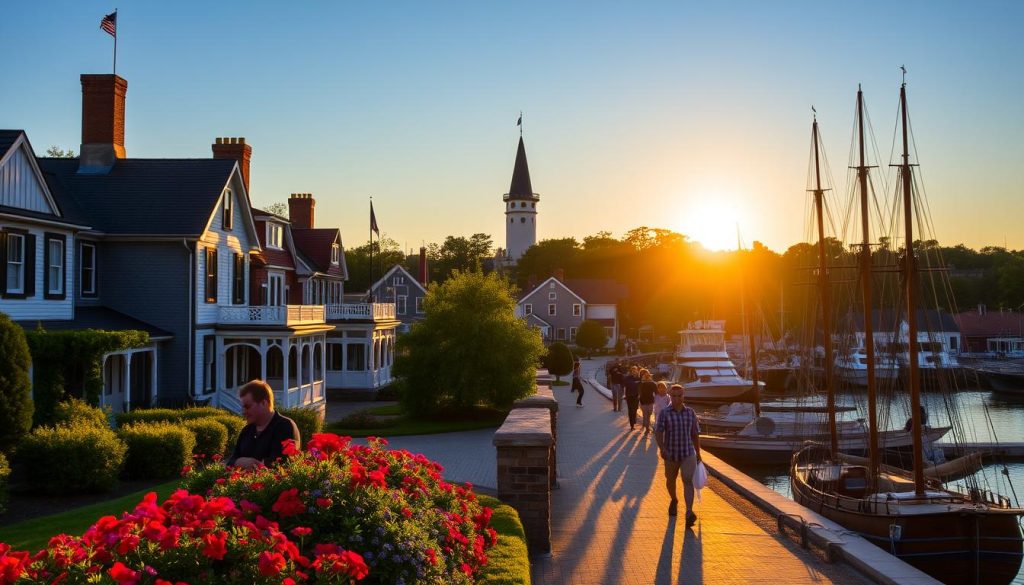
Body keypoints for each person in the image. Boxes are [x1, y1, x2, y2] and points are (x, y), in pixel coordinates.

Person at [654, 384, 702, 527]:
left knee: (688, 480)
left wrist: (698, 453)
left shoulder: (690, 412)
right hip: (671, 453)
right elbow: (658, 432)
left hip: (688, 452)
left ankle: (689, 512)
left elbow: (695, 433)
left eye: (679, 396)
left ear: (683, 396)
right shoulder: (664, 413)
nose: (677, 399)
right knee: (670, 480)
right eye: (674, 396)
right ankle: (674, 499)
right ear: (671, 396)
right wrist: (662, 449)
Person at [226, 379, 302, 469]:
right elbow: (231, 461)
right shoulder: (247, 430)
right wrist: (239, 462)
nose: (243, 412)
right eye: (243, 407)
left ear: (264, 403)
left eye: (247, 406)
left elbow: (280, 464)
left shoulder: (285, 426)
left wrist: (252, 464)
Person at [623, 365, 641, 430]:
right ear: (631, 371)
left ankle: (633, 420)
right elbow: (625, 387)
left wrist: (640, 394)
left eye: (635, 370)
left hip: (636, 396)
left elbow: (641, 387)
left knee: (635, 409)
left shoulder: (639, 378)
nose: (634, 372)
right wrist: (625, 395)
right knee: (630, 410)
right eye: (632, 370)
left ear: (637, 371)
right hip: (629, 396)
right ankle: (632, 425)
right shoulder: (627, 378)